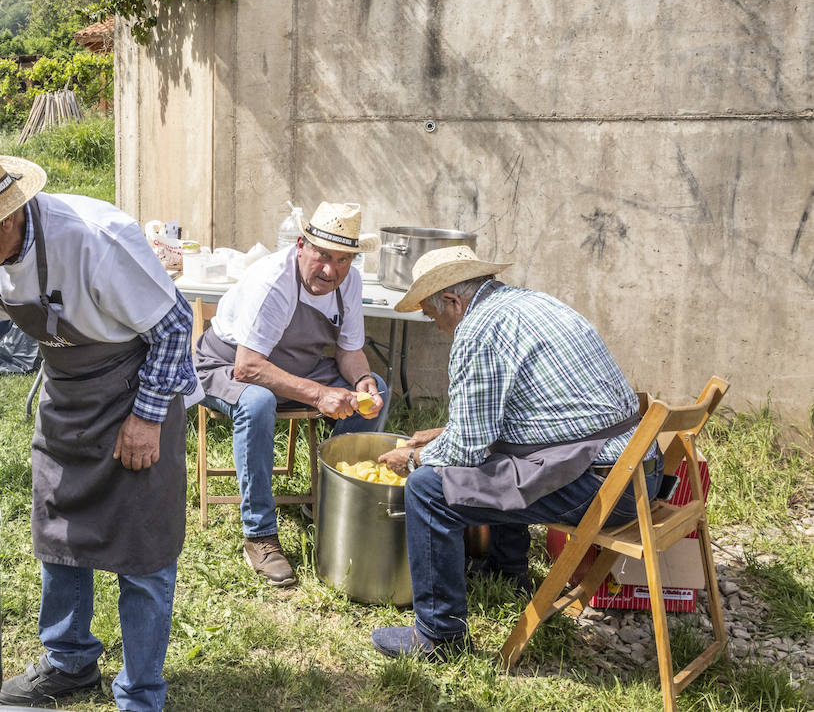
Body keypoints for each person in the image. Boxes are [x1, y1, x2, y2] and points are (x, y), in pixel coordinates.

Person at [0, 142, 199, 712]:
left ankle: (142, 692)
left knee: (143, 551)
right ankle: (69, 662)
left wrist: (147, 420)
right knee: (59, 535)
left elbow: (173, 329)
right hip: (68, 397)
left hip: (139, 385)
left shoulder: (94, 241)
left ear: (6, 215)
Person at [369, 246, 662, 659]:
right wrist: (442, 434)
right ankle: (508, 572)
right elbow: (520, 418)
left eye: (434, 316)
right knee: (499, 459)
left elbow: (468, 449)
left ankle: (438, 636)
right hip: (640, 469)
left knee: (426, 490)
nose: (438, 328)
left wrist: (415, 457)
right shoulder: (533, 303)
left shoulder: (477, 332)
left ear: (452, 300)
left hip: (608, 488)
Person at [193, 201, 389, 587]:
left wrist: (361, 378)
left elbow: (349, 350)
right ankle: (260, 535)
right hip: (225, 364)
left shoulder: (348, 282)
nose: (331, 270)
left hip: (296, 366)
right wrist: (318, 395)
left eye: (343, 260)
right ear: (302, 245)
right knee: (257, 400)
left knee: (377, 388)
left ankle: (338, 508)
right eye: (322, 256)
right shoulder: (273, 281)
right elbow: (247, 367)